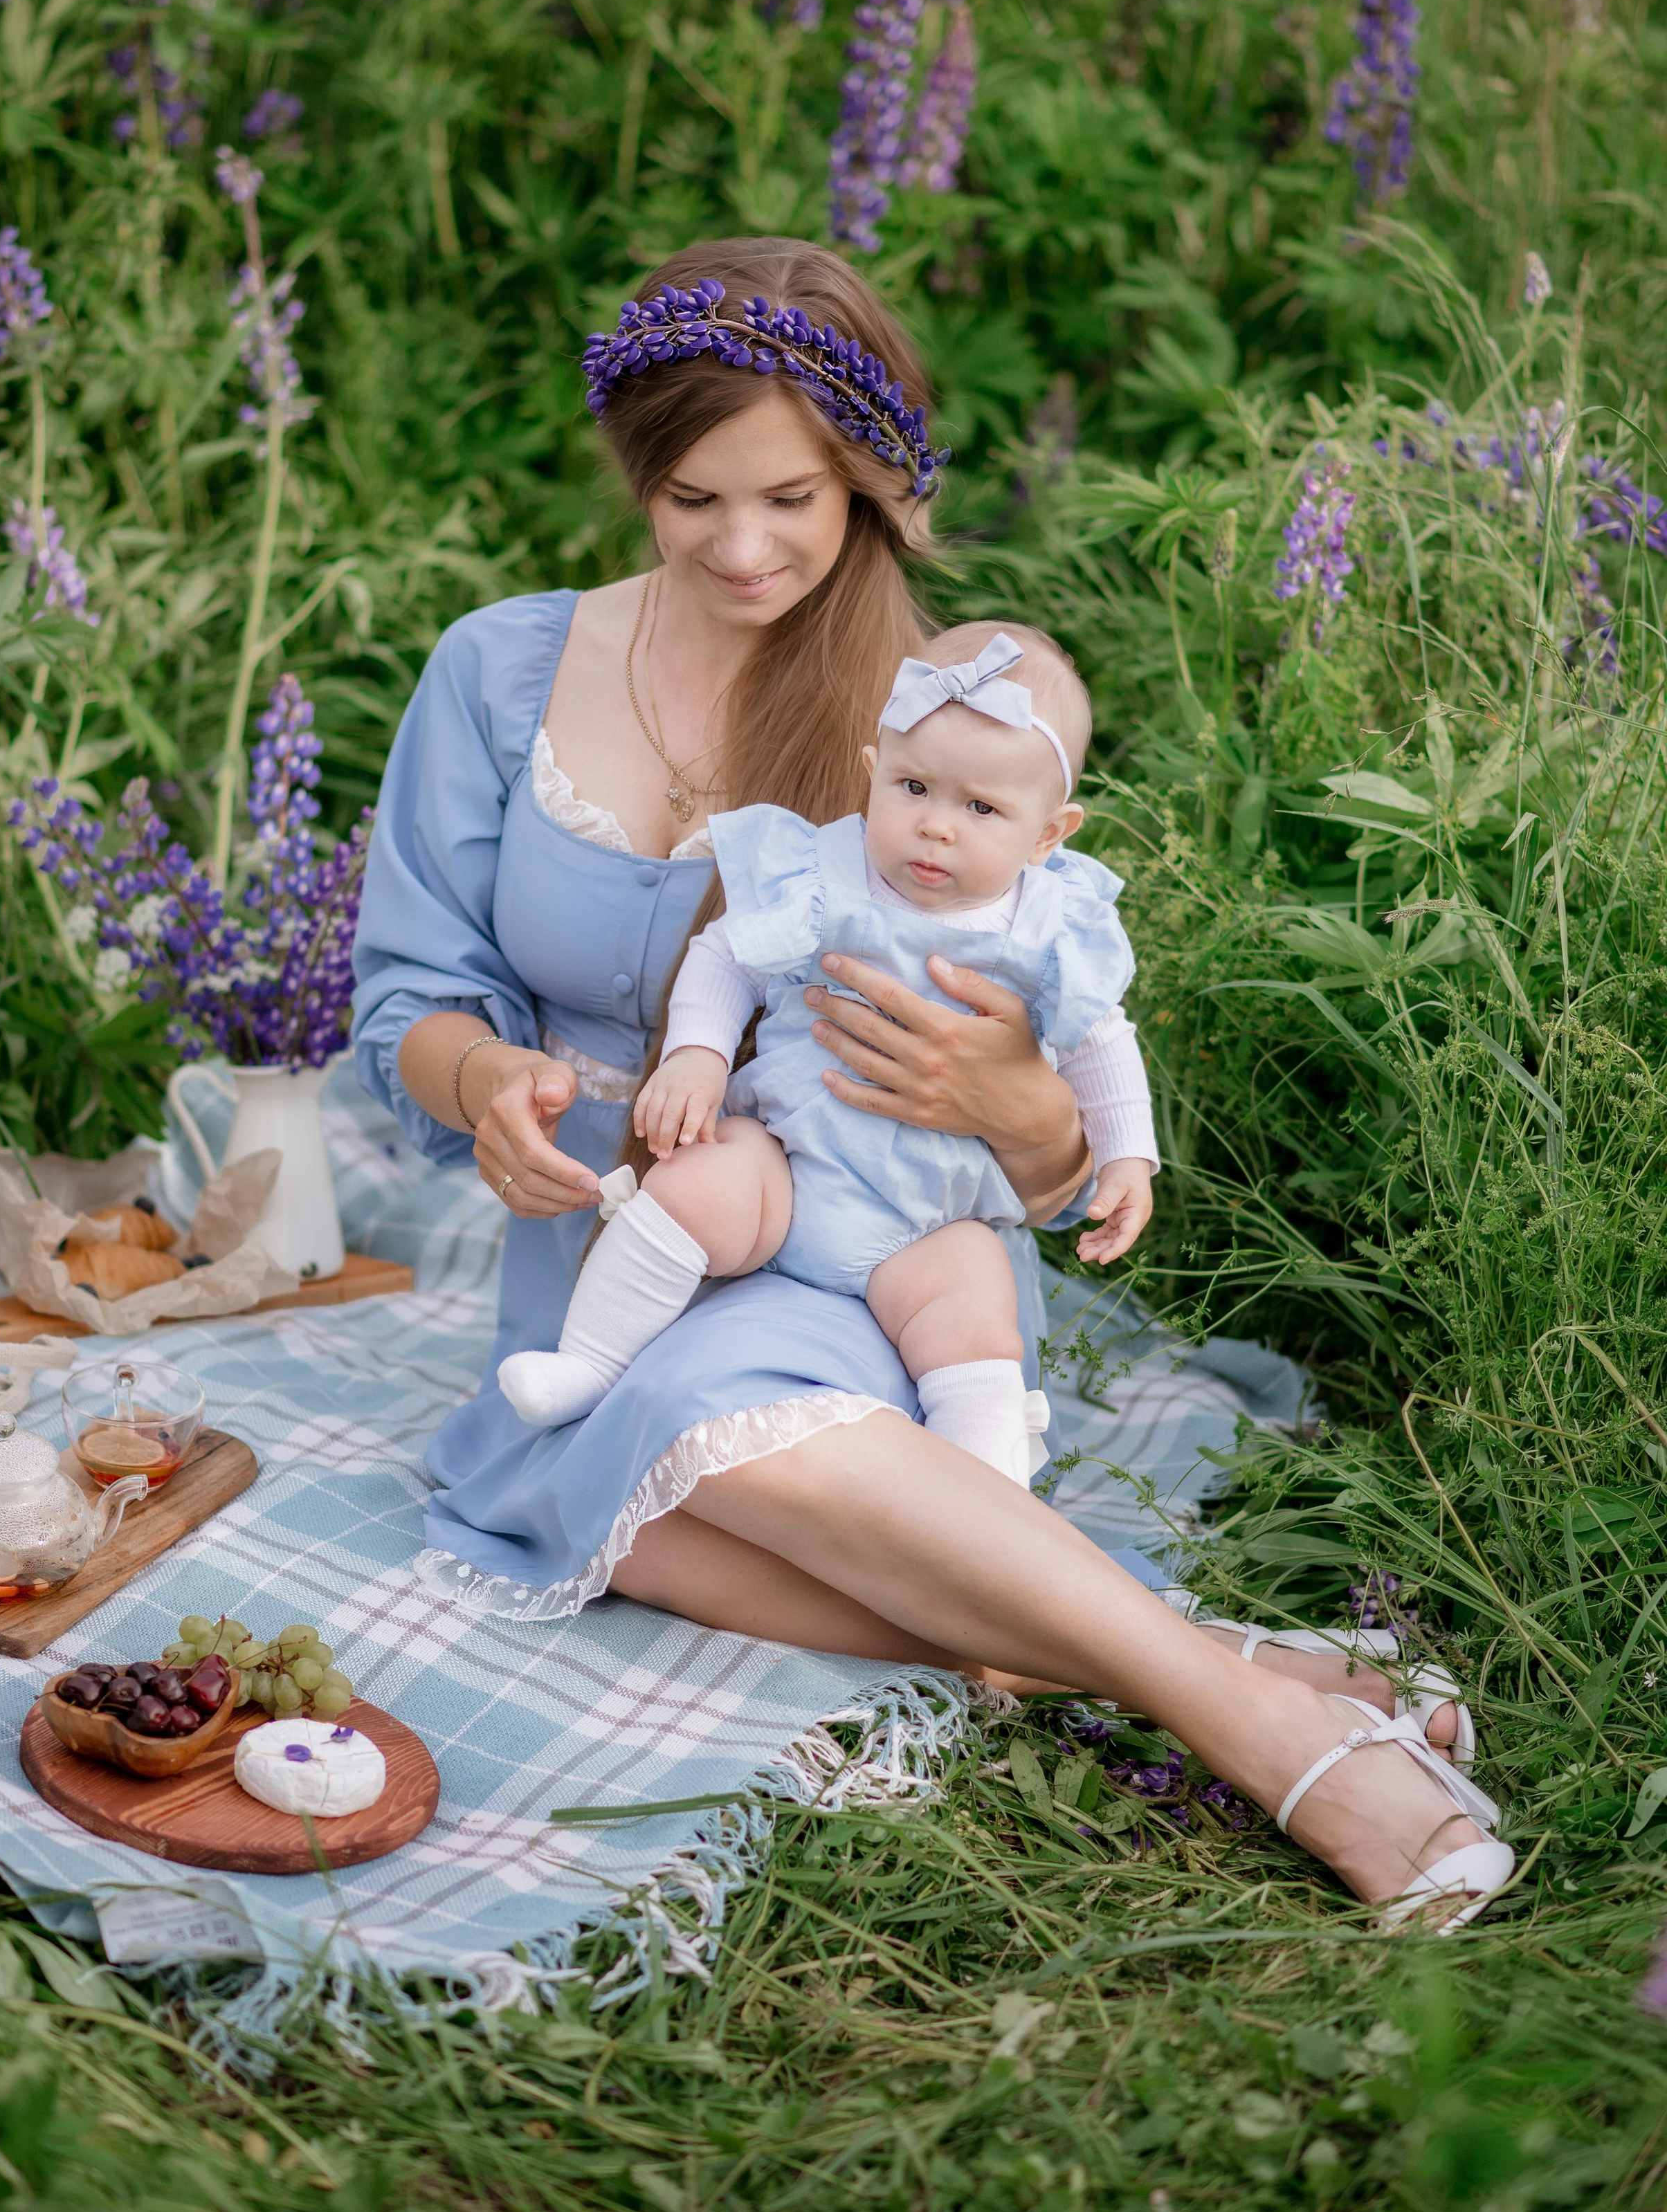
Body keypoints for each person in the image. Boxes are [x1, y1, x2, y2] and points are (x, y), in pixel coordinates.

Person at [352, 235, 1513, 1932]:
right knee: (623, 1522)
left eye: (790, 502)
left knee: (716, 1436)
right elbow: (406, 995)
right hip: (624, 1234)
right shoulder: (500, 670)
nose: (741, 548)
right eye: (693, 499)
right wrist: (485, 1084)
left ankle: (1262, 1731)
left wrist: (1031, 1111)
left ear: (869, 494)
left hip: (868, 1251)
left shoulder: (934, 737)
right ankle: (1213, 1655)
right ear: (636, 476)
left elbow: (1050, 1159)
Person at [494, 621, 1160, 1488]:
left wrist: (1128, 1156)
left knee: (974, 1296)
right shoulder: (823, 873)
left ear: (1048, 834)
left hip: (923, 1222)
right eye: (914, 785)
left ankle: (983, 1484)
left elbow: (1104, 1043)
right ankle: (588, 1363)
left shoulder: (1049, 930)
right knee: (696, 1180)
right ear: (871, 766)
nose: (935, 829)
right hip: (786, 1166)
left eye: (982, 809)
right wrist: (696, 1056)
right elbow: (726, 955)